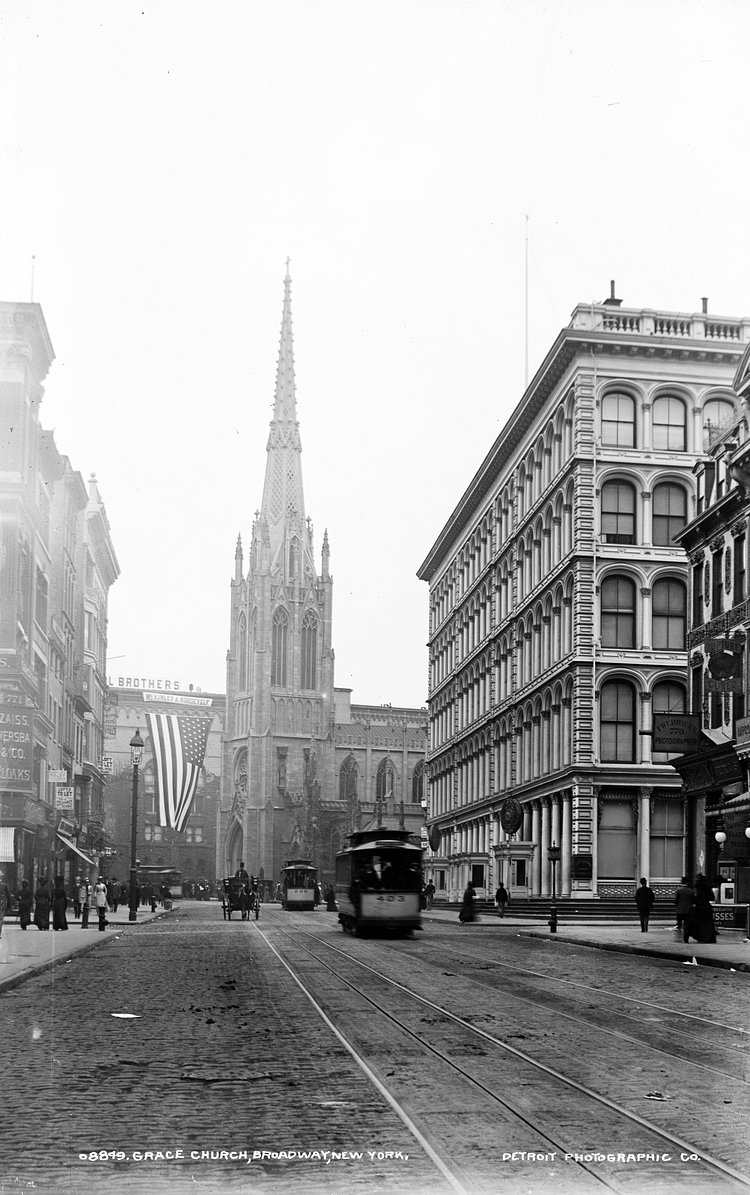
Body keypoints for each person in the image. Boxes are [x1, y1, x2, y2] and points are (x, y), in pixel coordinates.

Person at [689, 874, 717, 943]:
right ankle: (709, 938)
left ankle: (702, 937)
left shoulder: (698, 889)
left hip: (699, 908)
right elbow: (712, 897)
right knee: (708, 923)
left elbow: (695, 899)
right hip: (707, 907)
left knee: (700, 924)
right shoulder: (708, 888)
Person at [674, 875, 695, 944]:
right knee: (687, 925)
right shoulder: (691, 891)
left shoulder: (678, 890)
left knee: (679, 925)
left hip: (679, 910)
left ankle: (678, 938)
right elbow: (693, 901)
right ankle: (686, 939)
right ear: (687, 882)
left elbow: (676, 901)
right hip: (688, 910)